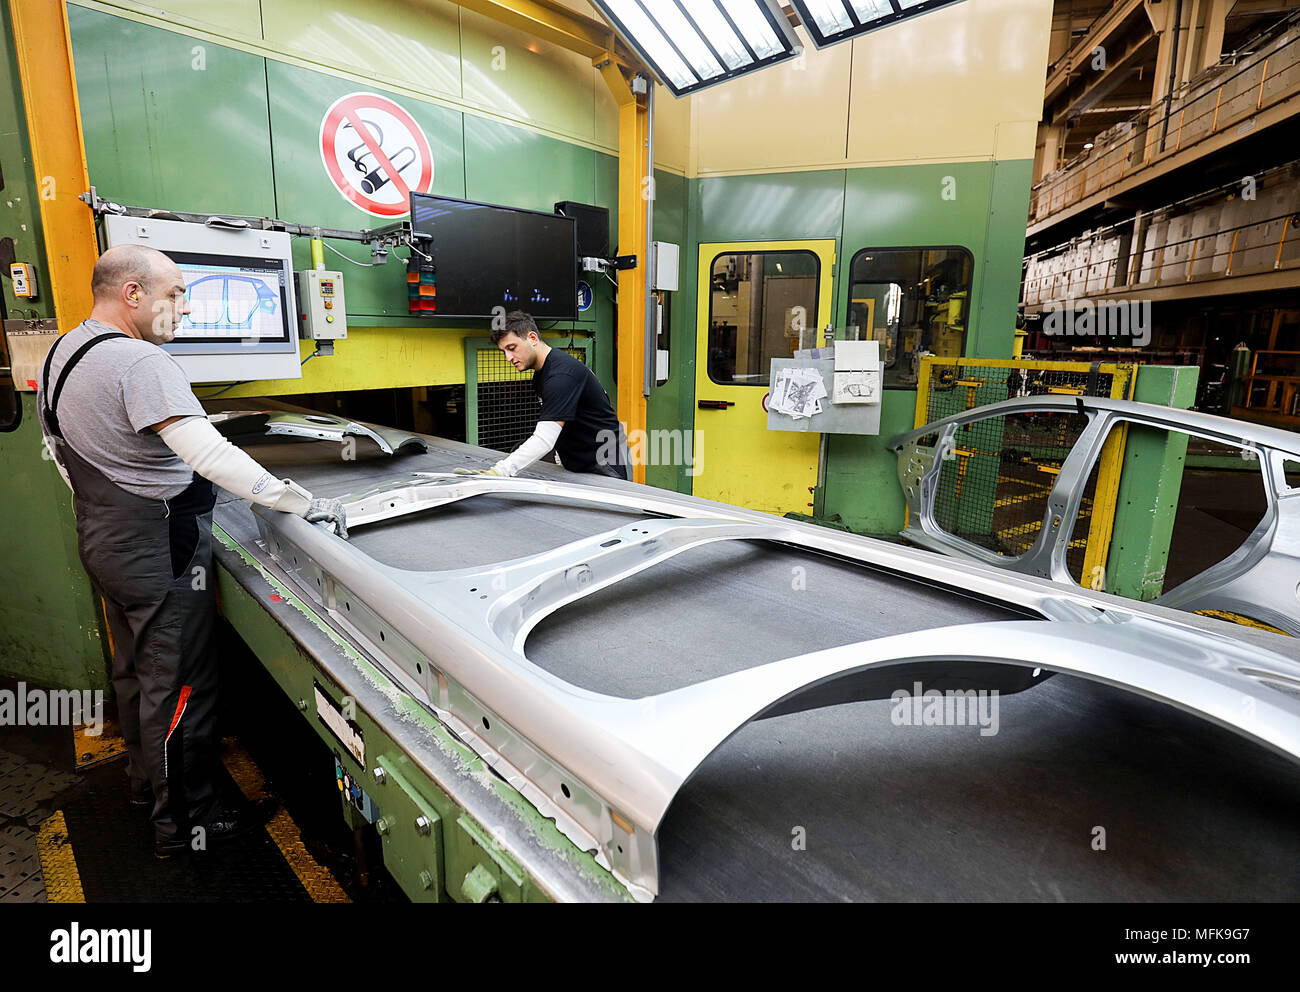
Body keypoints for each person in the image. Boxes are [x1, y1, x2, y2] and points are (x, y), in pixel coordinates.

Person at [36, 244, 347, 858]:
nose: (183, 305)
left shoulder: (64, 350)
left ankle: (142, 784)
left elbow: (60, 452)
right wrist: (293, 501)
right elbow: (209, 456)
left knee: (135, 672)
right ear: (132, 294)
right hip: (159, 549)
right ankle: (183, 825)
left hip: (104, 538)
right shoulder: (140, 363)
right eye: (174, 293)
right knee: (179, 687)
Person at [475, 311, 631, 480]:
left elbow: (545, 438)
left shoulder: (561, 376)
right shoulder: (541, 375)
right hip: (578, 465)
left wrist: (500, 472)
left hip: (605, 466)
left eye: (512, 348)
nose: (508, 358)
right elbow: (562, 423)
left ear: (533, 338)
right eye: (504, 351)